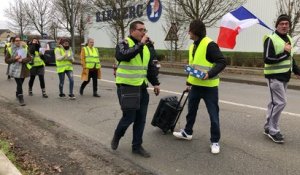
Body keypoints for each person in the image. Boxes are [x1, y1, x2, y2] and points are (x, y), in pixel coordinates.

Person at [172, 19, 226, 154]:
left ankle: (215, 141)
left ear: (195, 31)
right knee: (191, 111)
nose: (188, 32)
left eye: (189, 29)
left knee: (213, 115)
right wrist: (189, 84)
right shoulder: (192, 46)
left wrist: (210, 73)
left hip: (209, 87)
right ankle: (188, 132)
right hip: (195, 86)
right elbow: (193, 67)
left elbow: (222, 62)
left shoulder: (210, 45)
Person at [111, 20, 160, 158]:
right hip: (127, 87)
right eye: (141, 29)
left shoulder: (145, 47)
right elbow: (123, 55)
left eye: (145, 30)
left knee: (141, 119)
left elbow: (150, 67)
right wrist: (141, 44)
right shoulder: (123, 43)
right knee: (129, 117)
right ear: (132, 31)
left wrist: (155, 83)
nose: (144, 32)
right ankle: (117, 135)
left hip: (142, 87)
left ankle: (137, 146)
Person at [263, 14, 300, 143]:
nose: (284, 26)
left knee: (274, 103)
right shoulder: (270, 39)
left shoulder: (288, 38)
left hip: (285, 77)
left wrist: (297, 71)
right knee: (280, 102)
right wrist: (285, 53)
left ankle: (268, 126)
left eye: (286, 24)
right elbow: (268, 59)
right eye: (282, 23)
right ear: (277, 25)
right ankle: (273, 130)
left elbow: (290, 58)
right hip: (274, 77)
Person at [5, 36, 32, 106]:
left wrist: (22, 60)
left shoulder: (24, 48)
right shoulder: (10, 49)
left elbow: (30, 58)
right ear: (13, 41)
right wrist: (15, 58)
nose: (18, 42)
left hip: (23, 69)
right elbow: (6, 60)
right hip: (14, 69)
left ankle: (17, 93)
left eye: (19, 40)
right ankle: (21, 98)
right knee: (19, 83)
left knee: (20, 83)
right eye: (16, 40)